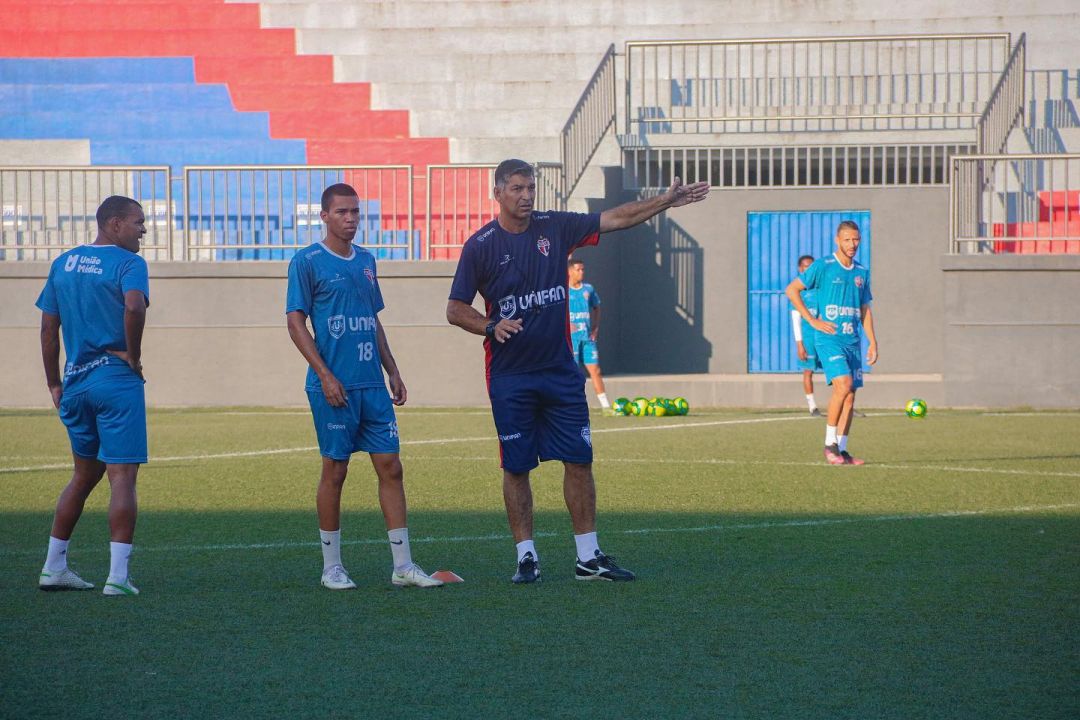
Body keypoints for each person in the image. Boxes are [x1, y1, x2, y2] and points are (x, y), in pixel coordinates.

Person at [446, 159, 709, 583]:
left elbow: (616, 218)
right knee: (516, 467)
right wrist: (491, 325)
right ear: (498, 193)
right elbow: (455, 309)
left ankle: (588, 556)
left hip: (560, 372)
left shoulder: (555, 226)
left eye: (531, 187)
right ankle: (525, 556)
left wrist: (665, 201)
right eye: (516, 188)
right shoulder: (481, 245)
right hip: (511, 376)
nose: (527, 195)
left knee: (579, 460)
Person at [286, 183, 442, 590]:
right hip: (334, 385)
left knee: (391, 467)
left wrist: (392, 369)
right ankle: (331, 567)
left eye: (355, 211)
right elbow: (295, 322)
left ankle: (403, 566)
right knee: (335, 470)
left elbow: (372, 320)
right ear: (324, 216)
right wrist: (324, 374)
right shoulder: (307, 262)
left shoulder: (367, 261)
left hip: (372, 384)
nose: (351, 218)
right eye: (342, 212)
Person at [36, 195, 149, 597]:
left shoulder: (62, 263)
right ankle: (117, 577)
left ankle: (53, 566)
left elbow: (49, 331)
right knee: (122, 475)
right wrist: (132, 356)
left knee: (84, 475)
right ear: (114, 223)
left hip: (75, 383)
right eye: (138, 222)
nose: (144, 230)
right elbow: (134, 307)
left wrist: (54, 383)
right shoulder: (129, 263)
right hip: (115, 380)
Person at [785, 221, 877, 466]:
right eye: (847, 240)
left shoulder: (861, 272)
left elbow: (865, 309)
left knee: (850, 396)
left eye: (856, 239)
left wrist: (872, 341)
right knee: (843, 385)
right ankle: (829, 444)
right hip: (829, 339)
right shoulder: (823, 266)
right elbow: (792, 290)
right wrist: (812, 320)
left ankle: (843, 450)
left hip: (853, 341)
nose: (852, 244)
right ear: (837, 240)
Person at [567, 257, 611, 412]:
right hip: (571, 340)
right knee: (572, 373)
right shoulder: (563, 290)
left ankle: (606, 406)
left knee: (596, 370)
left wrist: (595, 328)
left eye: (583, 269)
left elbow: (597, 307)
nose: (581, 272)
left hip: (587, 338)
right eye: (578, 269)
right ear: (570, 271)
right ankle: (571, 405)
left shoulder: (588, 289)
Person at [791, 254, 822, 416]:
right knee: (808, 371)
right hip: (809, 338)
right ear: (800, 269)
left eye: (811, 266)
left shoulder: (820, 288)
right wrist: (799, 343)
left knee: (837, 369)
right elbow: (795, 319)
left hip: (824, 336)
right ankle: (812, 407)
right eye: (805, 266)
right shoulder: (798, 291)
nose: (808, 269)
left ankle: (846, 404)